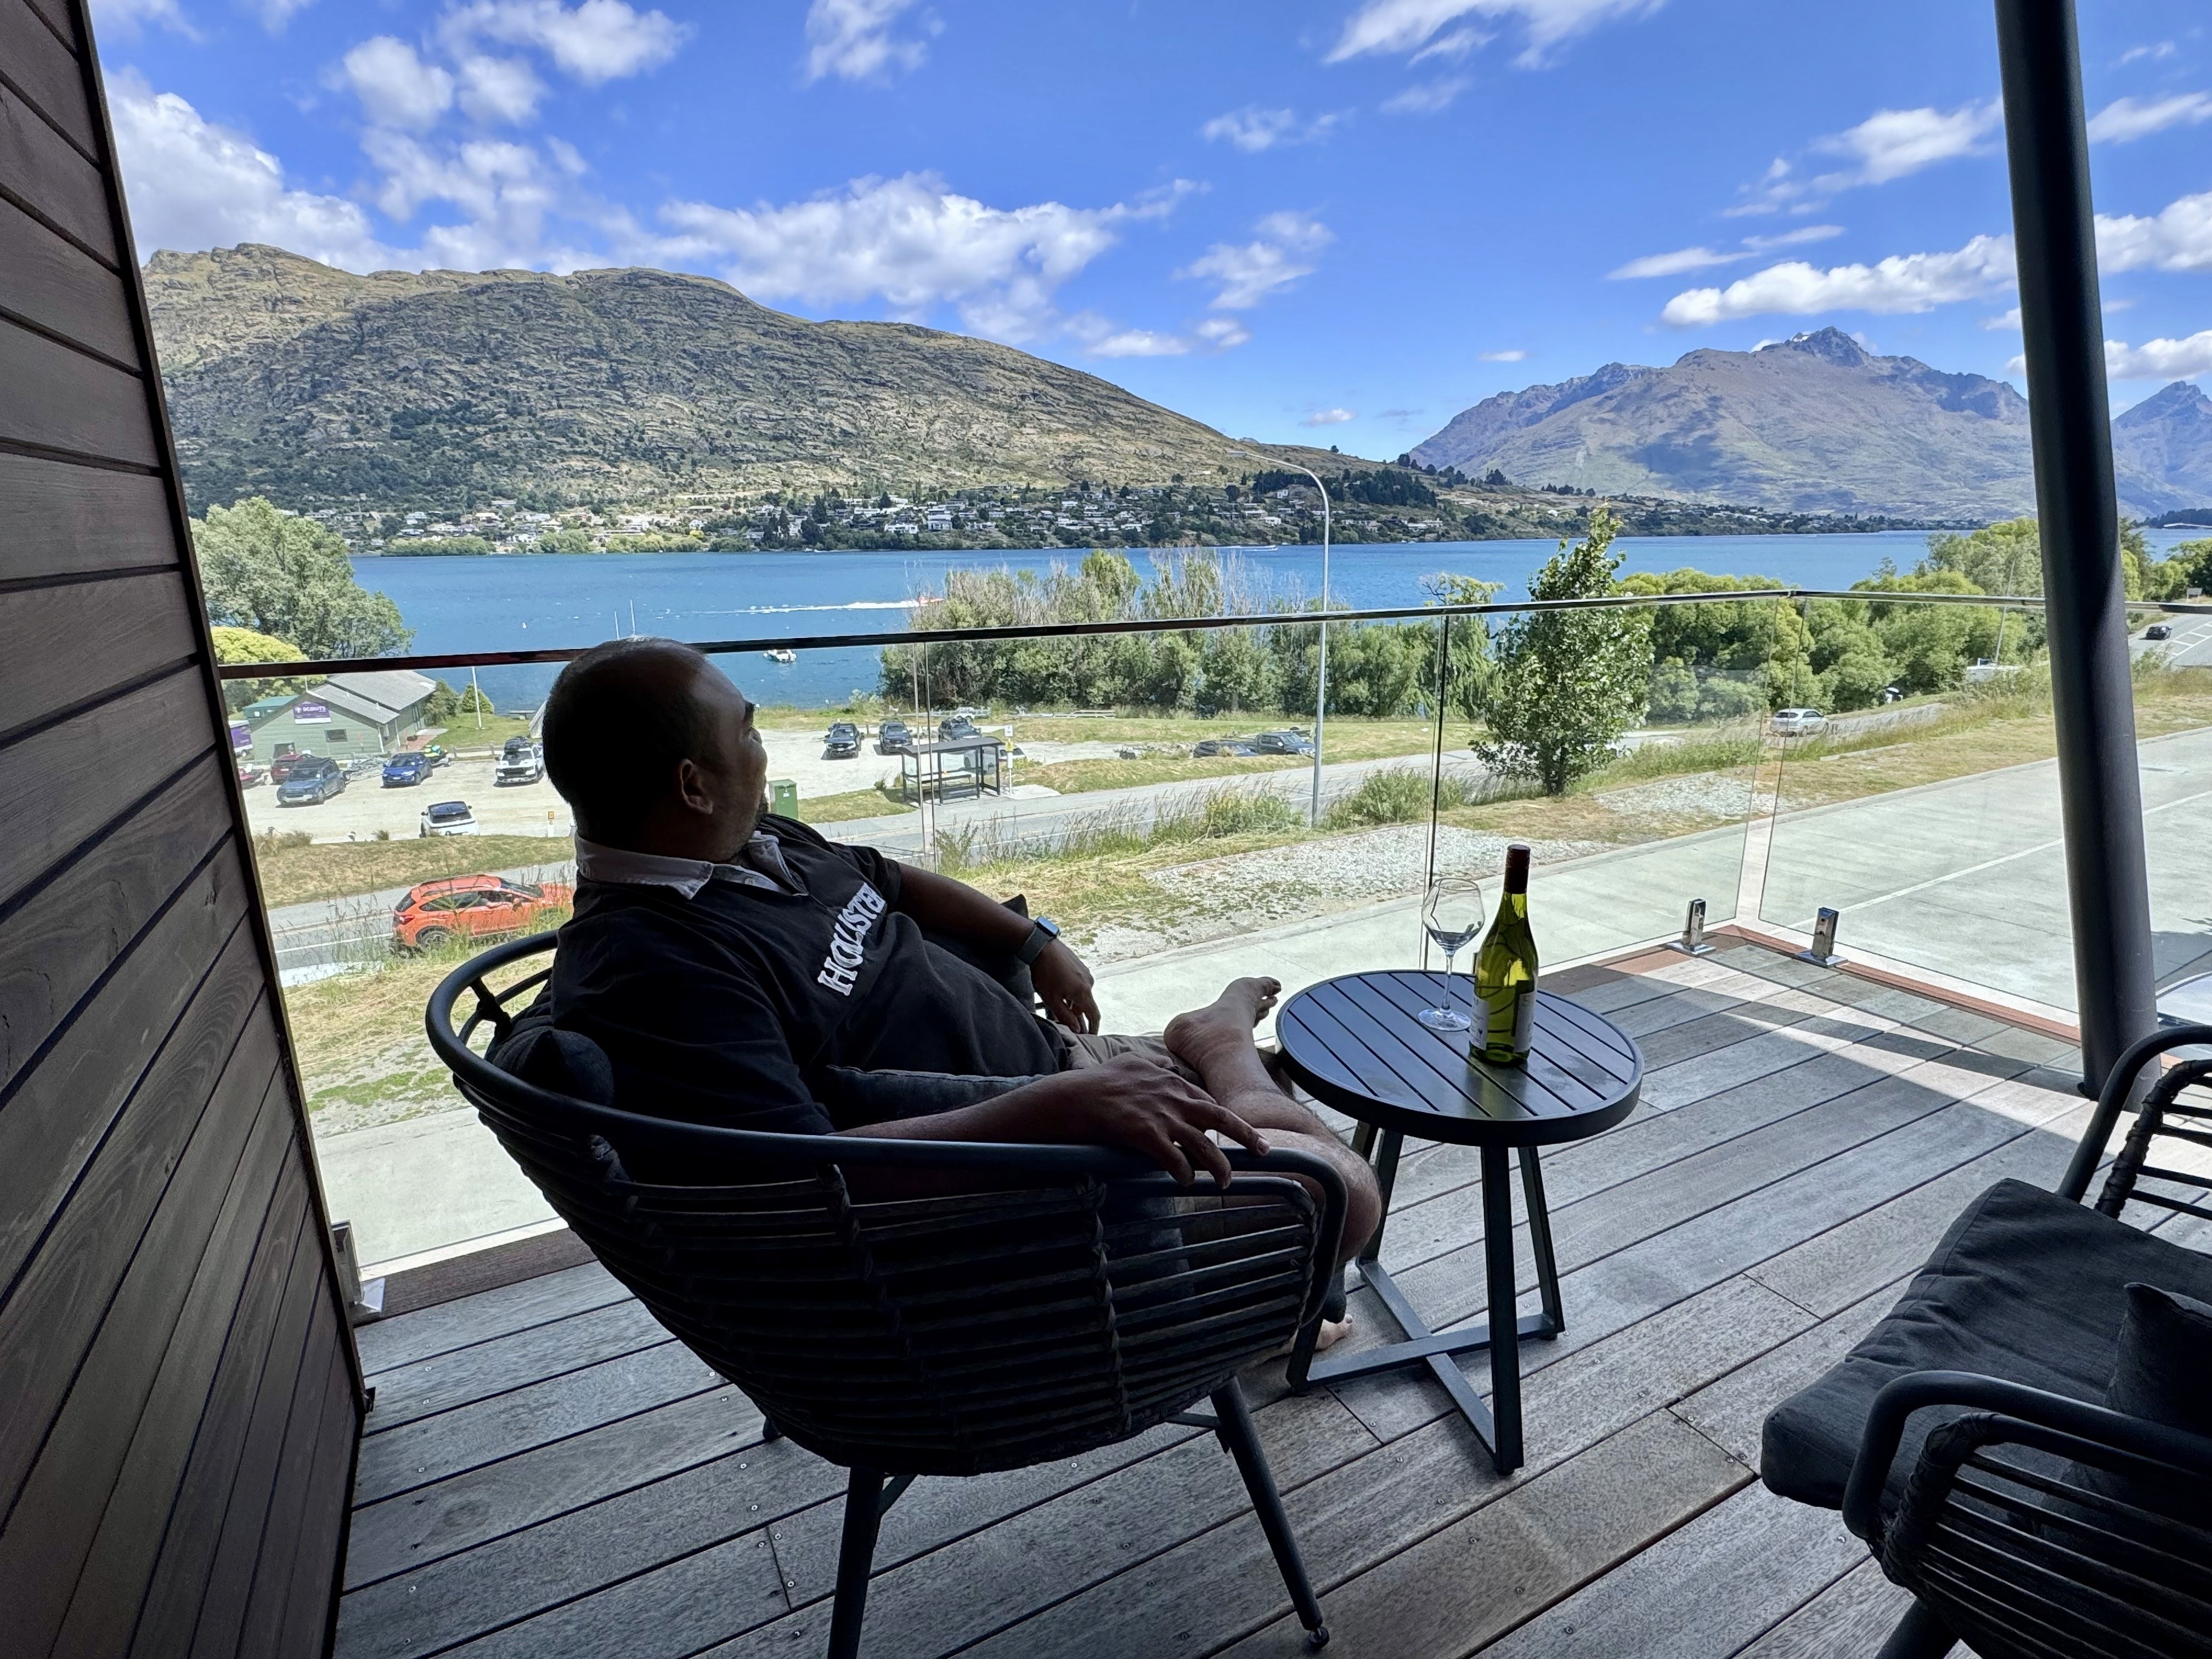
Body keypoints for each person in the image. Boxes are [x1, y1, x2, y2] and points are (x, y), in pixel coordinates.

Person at [537, 637, 1380, 1272]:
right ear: (693, 784)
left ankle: (1211, 1060)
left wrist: (1032, 940)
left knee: (1296, 1125)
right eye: (749, 731)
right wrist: (1057, 1113)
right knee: (1340, 1190)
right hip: (1034, 1174)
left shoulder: (752, 842)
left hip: (1057, 1067)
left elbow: (893, 880)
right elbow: (795, 1183)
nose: (763, 750)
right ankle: (1221, 1050)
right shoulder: (655, 971)